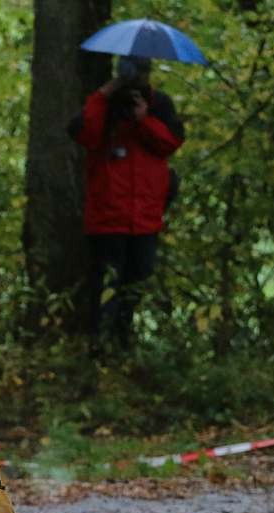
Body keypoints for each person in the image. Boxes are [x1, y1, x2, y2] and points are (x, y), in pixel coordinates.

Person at [68, 56, 185, 352]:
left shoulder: (159, 106)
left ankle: (124, 341)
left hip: (145, 218)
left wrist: (143, 118)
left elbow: (170, 143)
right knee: (105, 284)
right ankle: (99, 343)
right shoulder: (103, 105)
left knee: (136, 283)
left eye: (141, 73)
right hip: (108, 217)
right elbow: (85, 133)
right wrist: (105, 94)